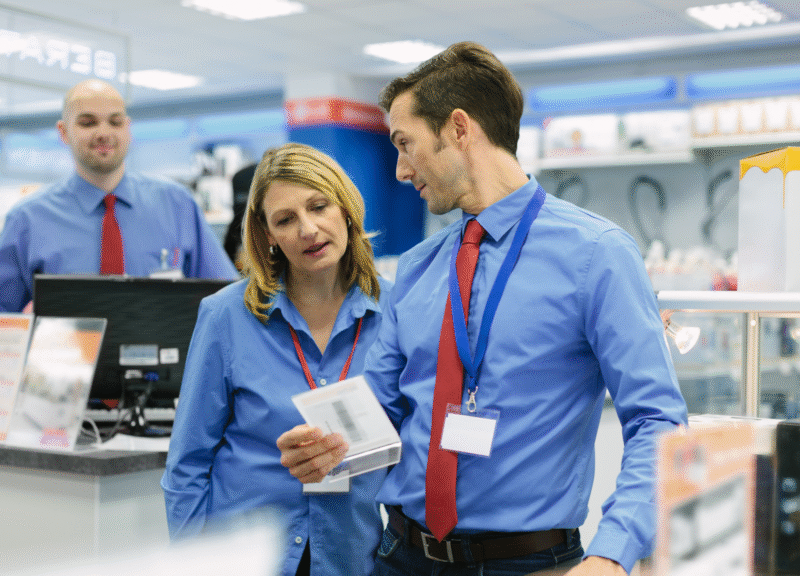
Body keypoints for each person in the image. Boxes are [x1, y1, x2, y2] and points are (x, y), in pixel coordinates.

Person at [277, 42, 688, 576]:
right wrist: (326, 445)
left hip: (527, 563)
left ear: (459, 129)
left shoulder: (596, 255)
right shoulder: (420, 267)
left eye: (406, 144)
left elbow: (658, 420)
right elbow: (382, 403)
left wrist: (613, 552)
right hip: (402, 557)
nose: (400, 170)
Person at [161, 143, 391, 576]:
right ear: (267, 235)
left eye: (319, 206)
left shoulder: (397, 311)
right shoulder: (226, 316)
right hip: (248, 555)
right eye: (285, 219)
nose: (308, 229)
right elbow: (188, 463)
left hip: (357, 557)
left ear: (346, 209)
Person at [0, 79, 237, 312]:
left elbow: (225, 299)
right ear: (63, 132)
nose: (104, 133)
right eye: (88, 122)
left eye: (115, 121)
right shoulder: (29, 219)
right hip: (69, 367)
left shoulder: (177, 205)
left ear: (128, 129)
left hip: (166, 366)